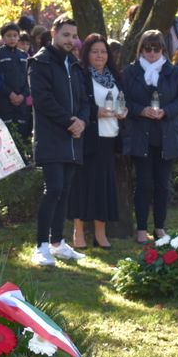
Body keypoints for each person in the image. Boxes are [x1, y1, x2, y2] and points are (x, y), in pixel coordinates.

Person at [28, 14, 90, 266]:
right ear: (53, 34)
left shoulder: (74, 64)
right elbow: (42, 100)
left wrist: (82, 122)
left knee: (64, 191)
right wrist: (70, 122)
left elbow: (85, 100)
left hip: (74, 138)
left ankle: (58, 243)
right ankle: (41, 246)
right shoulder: (39, 62)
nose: (70, 40)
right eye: (65, 35)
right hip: (52, 136)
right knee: (53, 189)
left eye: (74, 36)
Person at [122, 30, 178, 244]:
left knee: (162, 184)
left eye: (156, 48)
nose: (152, 53)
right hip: (140, 136)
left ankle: (159, 226)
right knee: (144, 184)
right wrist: (141, 110)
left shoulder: (173, 72)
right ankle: (141, 228)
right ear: (141, 49)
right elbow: (122, 99)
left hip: (166, 136)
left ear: (163, 50)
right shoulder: (130, 72)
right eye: (147, 48)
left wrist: (167, 111)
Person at [68, 33, 126, 250]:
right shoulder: (81, 75)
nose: (100, 55)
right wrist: (96, 112)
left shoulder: (115, 77)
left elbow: (122, 100)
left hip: (110, 138)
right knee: (82, 185)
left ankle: (100, 234)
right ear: (87, 53)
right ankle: (79, 232)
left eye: (103, 51)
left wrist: (124, 111)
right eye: (95, 51)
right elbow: (78, 104)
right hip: (88, 137)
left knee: (104, 187)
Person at [0, 23, 32, 140]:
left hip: (21, 103)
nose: (12, 38)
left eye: (15, 35)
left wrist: (23, 95)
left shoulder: (24, 55)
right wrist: (10, 94)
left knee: (22, 134)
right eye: (9, 36)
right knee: (6, 134)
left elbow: (29, 79)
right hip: (4, 101)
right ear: (3, 37)